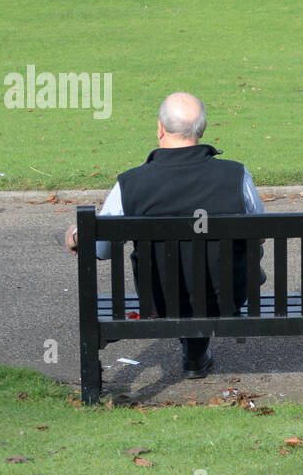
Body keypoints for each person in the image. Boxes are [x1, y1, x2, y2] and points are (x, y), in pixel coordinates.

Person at [65, 92, 265, 378]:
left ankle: (194, 350)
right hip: (226, 298)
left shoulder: (130, 184)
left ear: (160, 128)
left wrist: (74, 234)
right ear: (202, 129)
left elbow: (101, 249)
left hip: (160, 300)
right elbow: (259, 233)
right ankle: (195, 352)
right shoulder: (236, 175)